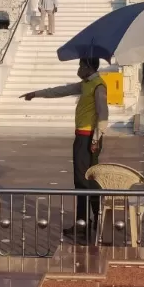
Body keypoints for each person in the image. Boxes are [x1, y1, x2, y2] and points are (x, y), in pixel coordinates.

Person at [21, 58, 108, 242]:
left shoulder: (98, 85)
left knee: (86, 181)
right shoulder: (86, 84)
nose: (78, 69)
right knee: (84, 180)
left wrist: (95, 139)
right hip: (82, 136)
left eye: (80, 65)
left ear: (88, 67)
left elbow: (103, 114)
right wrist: (36, 93)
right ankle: (86, 222)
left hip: (89, 138)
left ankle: (92, 222)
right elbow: (61, 91)